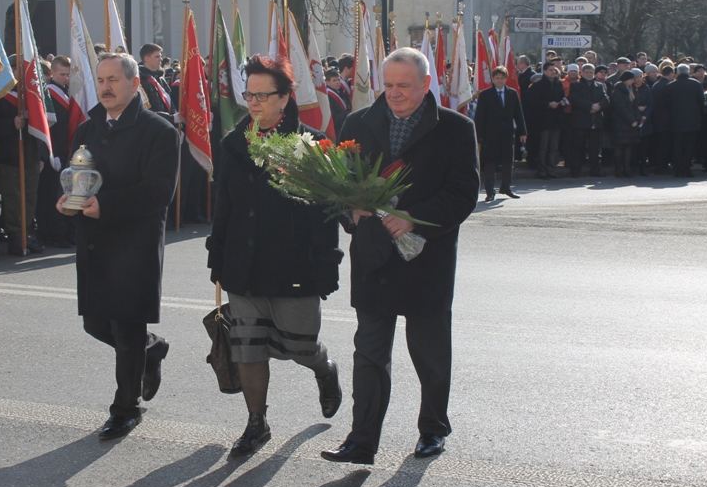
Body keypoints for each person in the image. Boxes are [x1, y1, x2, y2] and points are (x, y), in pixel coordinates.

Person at [321, 47, 480, 465]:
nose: (394, 93)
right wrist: (352, 213)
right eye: (389, 85)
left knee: (430, 354)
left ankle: (433, 429)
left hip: (427, 259)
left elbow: (463, 193)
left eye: (404, 86)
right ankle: (361, 441)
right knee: (369, 353)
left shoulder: (456, 129)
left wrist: (414, 219)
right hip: (374, 257)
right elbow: (339, 183)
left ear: (426, 84)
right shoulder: (357, 123)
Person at [207, 55, 343, 456]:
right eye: (249, 95)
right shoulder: (233, 143)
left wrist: (326, 263)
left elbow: (325, 214)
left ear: (285, 98)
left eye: (263, 95)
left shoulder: (311, 144)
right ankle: (257, 422)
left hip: (294, 264)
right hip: (243, 263)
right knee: (247, 345)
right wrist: (218, 259)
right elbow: (224, 207)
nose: (253, 103)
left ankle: (324, 367)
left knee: (300, 345)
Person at [57, 52, 179, 441]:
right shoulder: (88, 128)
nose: (105, 87)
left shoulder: (159, 131)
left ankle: (126, 409)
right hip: (95, 243)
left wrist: (106, 205)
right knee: (95, 323)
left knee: (126, 332)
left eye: (113, 80)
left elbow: (160, 191)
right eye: (101, 80)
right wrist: (69, 202)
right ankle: (151, 349)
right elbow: (78, 177)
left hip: (134, 245)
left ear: (134, 83)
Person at [0, 69, 46, 256]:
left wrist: (40, 156)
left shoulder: (31, 94)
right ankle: (15, 236)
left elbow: (41, 127)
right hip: (9, 157)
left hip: (31, 156)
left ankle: (26, 233)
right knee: (13, 200)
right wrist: (11, 124)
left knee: (29, 198)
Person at [474, 66, 527, 201]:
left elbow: (518, 113)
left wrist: (522, 131)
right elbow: (479, 117)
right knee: (490, 163)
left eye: (502, 78)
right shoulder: (485, 95)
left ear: (506, 79)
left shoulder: (512, 93)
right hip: (490, 134)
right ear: (493, 79)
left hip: (507, 133)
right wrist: (479, 135)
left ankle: (506, 187)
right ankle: (490, 191)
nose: (499, 80)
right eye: (497, 78)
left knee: (507, 162)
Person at [40, 55, 73, 248]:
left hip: (67, 151)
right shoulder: (49, 94)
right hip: (54, 153)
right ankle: (54, 234)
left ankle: (66, 232)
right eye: (62, 74)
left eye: (68, 74)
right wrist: (52, 154)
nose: (66, 78)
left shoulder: (68, 91)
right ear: (52, 73)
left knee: (67, 193)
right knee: (53, 196)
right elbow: (48, 128)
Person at [662, 63, 705, 178]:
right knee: (689, 146)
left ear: (678, 72)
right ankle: (686, 169)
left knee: (677, 146)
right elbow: (701, 102)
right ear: (688, 72)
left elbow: (666, 104)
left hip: (675, 120)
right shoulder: (696, 84)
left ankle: (677, 170)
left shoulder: (671, 86)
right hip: (692, 120)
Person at [568, 63, 609, 178]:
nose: (589, 74)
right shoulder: (575, 85)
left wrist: (599, 106)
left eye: (591, 72)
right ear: (582, 73)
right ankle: (576, 169)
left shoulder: (599, 86)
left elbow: (606, 99)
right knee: (578, 147)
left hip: (595, 120)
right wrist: (590, 106)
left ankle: (595, 169)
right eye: (587, 72)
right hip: (580, 121)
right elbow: (575, 99)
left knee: (594, 148)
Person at [527, 61, 565, 179]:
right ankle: (542, 170)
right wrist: (548, 104)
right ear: (544, 71)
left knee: (553, 147)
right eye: (550, 70)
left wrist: (563, 102)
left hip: (556, 120)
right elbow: (532, 103)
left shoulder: (558, 84)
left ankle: (551, 169)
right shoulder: (538, 85)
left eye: (554, 70)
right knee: (543, 147)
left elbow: (562, 97)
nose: (553, 72)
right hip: (543, 121)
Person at [610, 71, 641, 178]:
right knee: (620, 147)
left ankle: (626, 169)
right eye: (631, 79)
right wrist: (632, 120)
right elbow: (621, 108)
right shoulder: (618, 92)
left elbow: (635, 106)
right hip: (621, 123)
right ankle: (618, 169)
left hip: (630, 124)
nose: (633, 81)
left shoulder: (632, 90)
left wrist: (637, 118)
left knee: (628, 147)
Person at [325, 67, 350, 138]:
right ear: (327, 82)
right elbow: (333, 118)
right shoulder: (328, 96)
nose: (338, 82)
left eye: (338, 79)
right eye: (334, 80)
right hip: (337, 130)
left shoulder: (341, 91)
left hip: (345, 126)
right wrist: (348, 114)